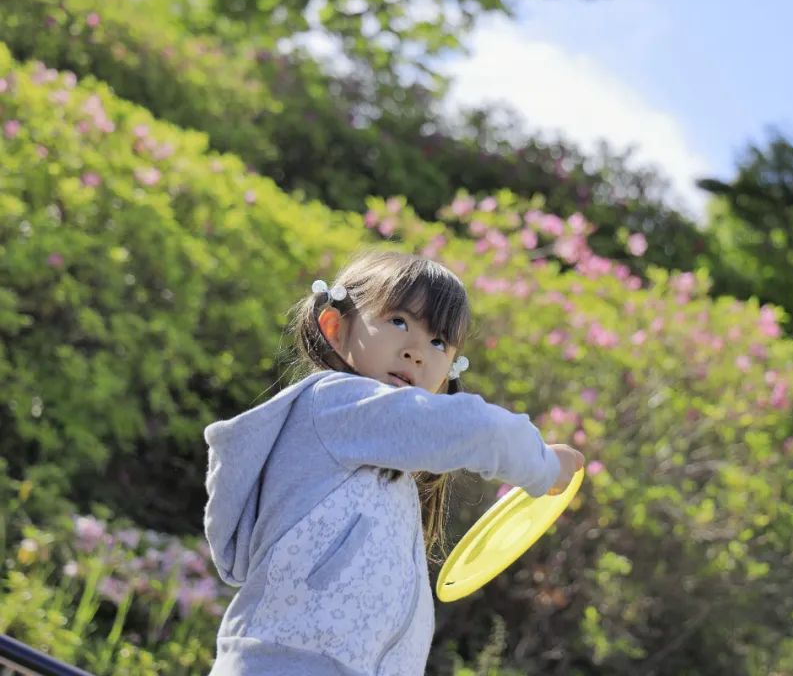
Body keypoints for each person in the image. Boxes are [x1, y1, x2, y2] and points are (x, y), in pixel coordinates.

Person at [203, 249, 584, 675]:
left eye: (438, 342)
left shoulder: (389, 472)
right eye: (399, 321)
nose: (417, 351)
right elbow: (475, 430)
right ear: (335, 327)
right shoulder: (333, 406)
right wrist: (543, 464)